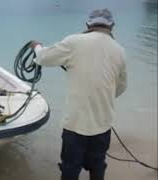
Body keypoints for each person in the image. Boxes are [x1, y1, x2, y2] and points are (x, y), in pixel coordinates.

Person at [30, 8, 127, 180]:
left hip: (75, 126)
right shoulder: (120, 51)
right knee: (97, 166)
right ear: (111, 26)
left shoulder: (74, 42)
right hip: (103, 125)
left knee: (70, 169)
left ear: (88, 24)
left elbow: (43, 58)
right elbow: (120, 88)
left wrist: (37, 47)